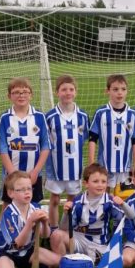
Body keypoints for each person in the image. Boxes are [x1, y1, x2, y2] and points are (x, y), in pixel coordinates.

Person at [50, 164, 125, 268]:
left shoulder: (110, 202)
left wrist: (113, 243)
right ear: (86, 183)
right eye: (95, 181)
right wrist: (65, 214)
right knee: (56, 235)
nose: (100, 185)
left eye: (103, 181)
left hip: (99, 244)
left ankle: (87, 264)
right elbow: (64, 228)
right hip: (79, 240)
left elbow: (121, 220)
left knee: (107, 267)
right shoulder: (78, 201)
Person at [0, 171, 61, 268]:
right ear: (11, 193)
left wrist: (45, 223)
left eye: (29, 188)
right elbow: (17, 244)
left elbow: (45, 235)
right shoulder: (8, 214)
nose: (27, 192)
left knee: (58, 261)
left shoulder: (35, 207)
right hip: (6, 252)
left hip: (27, 250)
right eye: (22, 189)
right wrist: (30, 222)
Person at [0, 78, 51, 211]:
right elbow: (2, 148)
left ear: (31, 95)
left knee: (33, 206)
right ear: (9, 96)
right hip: (11, 174)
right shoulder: (5, 118)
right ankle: (3, 226)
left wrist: (36, 171)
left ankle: (32, 226)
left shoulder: (39, 117)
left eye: (25, 92)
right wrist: (12, 172)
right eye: (16, 92)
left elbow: (45, 146)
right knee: (8, 205)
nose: (21, 95)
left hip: (34, 174)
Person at [44, 75, 90, 234]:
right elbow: (47, 141)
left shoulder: (82, 116)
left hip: (75, 167)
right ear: (57, 92)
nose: (68, 92)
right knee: (55, 199)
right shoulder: (50, 116)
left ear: (76, 92)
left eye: (71, 89)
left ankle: (68, 228)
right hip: (56, 167)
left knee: (72, 200)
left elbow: (84, 138)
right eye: (64, 89)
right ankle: (53, 230)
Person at [88, 74, 135, 191]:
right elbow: (93, 138)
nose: (120, 93)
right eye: (115, 89)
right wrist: (91, 162)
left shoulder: (133, 115)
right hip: (105, 165)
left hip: (125, 166)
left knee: (124, 196)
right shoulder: (101, 113)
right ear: (107, 91)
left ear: (127, 91)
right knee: (103, 195)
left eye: (123, 89)